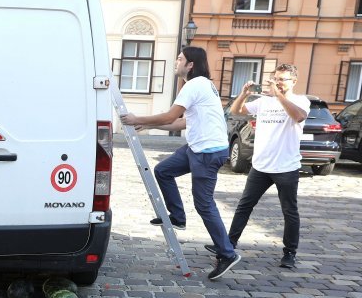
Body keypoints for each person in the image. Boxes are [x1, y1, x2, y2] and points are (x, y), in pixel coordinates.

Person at [121, 46, 241, 281]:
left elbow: (170, 116)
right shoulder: (202, 85)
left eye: (179, 59)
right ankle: (177, 216)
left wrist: (138, 118)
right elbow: (182, 124)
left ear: (190, 65)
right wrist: (149, 125)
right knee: (163, 170)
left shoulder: (195, 85)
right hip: (197, 148)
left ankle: (227, 253)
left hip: (207, 152)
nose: (176, 62)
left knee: (204, 204)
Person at [208, 64, 309, 268]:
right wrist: (244, 94)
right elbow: (236, 111)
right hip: (261, 166)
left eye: (283, 79)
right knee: (244, 206)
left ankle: (289, 253)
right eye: (276, 78)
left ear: (294, 81)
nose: (278, 82)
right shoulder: (264, 101)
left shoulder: (300, 101)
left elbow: (298, 116)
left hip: (286, 167)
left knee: (289, 211)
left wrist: (279, 95)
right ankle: (228, 245)